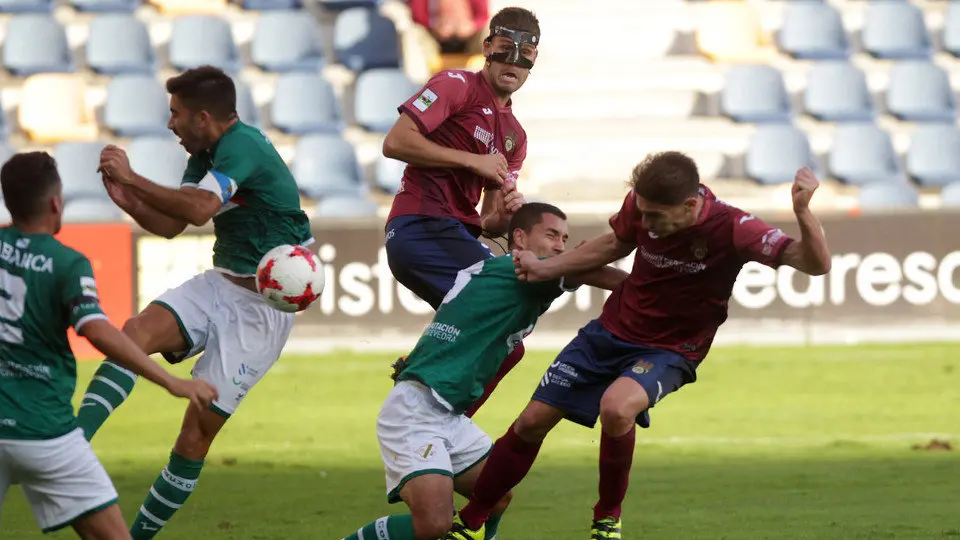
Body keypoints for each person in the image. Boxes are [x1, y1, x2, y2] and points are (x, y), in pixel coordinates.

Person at [448, 154, 833, 540]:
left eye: (655, 217)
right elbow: (614, 244)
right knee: (531, 421)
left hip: (670, 349)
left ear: (690, 205)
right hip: (609, 332)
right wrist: (547, 267)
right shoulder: (640, 203)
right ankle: (473, 521)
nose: (645, 226)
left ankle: (607, 520)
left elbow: (814, 263)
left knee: (617, 408)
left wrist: (802, 211)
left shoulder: (734, 227)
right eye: (642, 213)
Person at [74, 66, 314, 539]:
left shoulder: (242, 145)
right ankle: (72, 444)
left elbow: (201, 209)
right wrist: (126, 197)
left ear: (203, 118)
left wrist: (134, 177)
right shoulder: (203, 153)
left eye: (175, 114)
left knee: (195, 435)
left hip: (263, 311)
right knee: (135, 334)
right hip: (221, 283)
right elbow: (172, 224)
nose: (169, 124)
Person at [340, 203, 628, 540]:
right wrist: (656, 292)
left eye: (564, 238)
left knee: (494, 497)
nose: (559, 246)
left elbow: (581, 265)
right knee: (434, 526)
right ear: (519, 238)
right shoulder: (520, 270)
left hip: (447, 413)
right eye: (551, 235)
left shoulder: (504, 270)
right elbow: (590, 269)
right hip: (415, 412)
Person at [0, 152, 218, 539]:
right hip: (45, 433)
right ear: (55, 203)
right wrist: (172, 381)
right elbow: (97, 331)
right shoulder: (67, 263)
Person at [384, 6, 541, 417]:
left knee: (511, 342)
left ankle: (441, 415)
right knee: (513, 294)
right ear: (487, 47)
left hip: (452, 233)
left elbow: (488, 220)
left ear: (534, 62)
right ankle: (424, 381)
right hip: (419, 226)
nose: (514, 62)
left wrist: (507, 215)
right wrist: (471, 161)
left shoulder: (515, 137)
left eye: (525, 55)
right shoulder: (455, 85)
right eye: (506, 49)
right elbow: (396, 141)